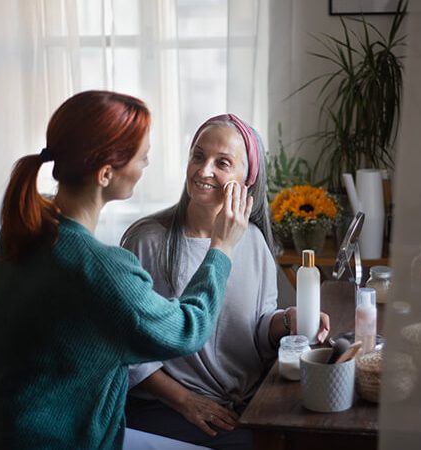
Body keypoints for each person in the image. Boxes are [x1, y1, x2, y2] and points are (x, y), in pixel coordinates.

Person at [0, 91, 252, 450]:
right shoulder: (102, 270)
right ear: (105, 173)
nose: (147, 163)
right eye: (141, 155)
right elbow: (188, 330)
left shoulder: (22, 230)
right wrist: (222, 248)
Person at [120, 114, 330, 450]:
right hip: (166, 407)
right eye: (198, 156)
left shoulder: (255, 240)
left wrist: (289, 321)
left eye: (223, 163)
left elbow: (257, 329)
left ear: (248, 179)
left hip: (240, 400)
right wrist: (186, 402)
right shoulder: (147, 242)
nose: (204, 171)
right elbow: (130, 351)